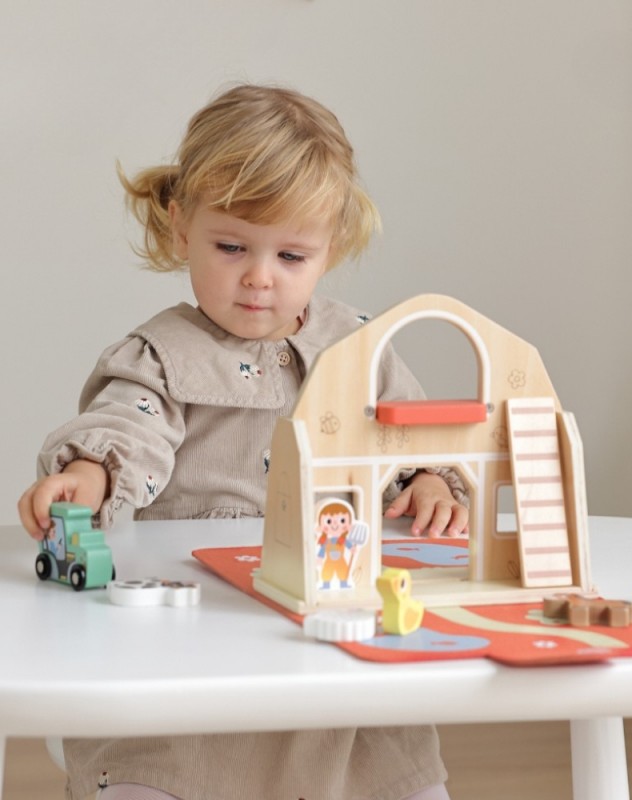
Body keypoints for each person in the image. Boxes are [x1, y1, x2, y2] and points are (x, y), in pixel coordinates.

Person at [17, 83, 468, 800]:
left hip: (330, 628)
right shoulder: (161, 355)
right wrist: (92, 475)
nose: (260, 277)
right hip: (193, 644)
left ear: (331, 248)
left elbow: (409, 432)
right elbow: (129, 427)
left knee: (390, 769)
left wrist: (430, 482)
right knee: (161, 769)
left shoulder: (359, 348)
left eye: (291, 255)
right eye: (231, 247)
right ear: (180, 229)